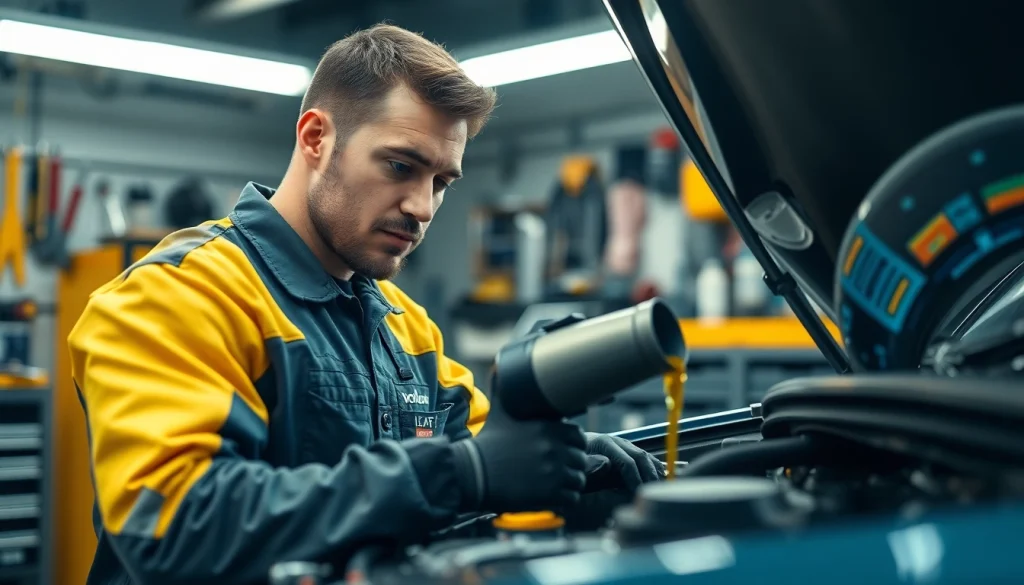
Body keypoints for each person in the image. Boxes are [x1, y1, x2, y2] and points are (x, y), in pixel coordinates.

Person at [68, 24, 663, 585]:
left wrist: (566, 476)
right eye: (401, 166)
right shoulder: (175, 295)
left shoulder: (406, 329)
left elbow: (482, 453)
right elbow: (173, 526)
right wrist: (461, 475)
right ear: (316, 138)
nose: (422, 207)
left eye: (441, 182)